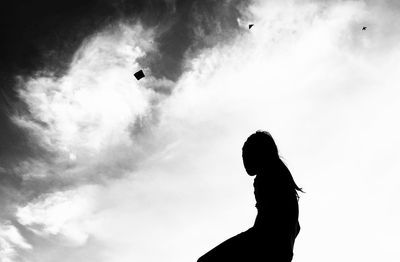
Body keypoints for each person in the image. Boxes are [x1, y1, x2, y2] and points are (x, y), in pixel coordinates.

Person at [197, 130, 303, 262]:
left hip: (264, 245)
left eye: (246, 154)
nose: (244, 160)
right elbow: (296, 227)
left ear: (258, 153)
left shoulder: (266, 177)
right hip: (282, 251)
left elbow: (266, 224)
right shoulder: (282, 179)